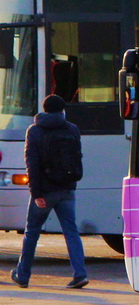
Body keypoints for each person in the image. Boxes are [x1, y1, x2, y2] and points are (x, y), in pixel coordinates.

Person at [10, 94, 88, 289]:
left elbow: (32, 164)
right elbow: (76, 158)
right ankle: (80, 274)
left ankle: (23, 275)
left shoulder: (35, 131)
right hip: (67, 189)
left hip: (45, 191)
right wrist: (70, 184)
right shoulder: (72, 129)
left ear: (44, 109)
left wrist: (36, 194)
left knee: (32, 232)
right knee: (71, 231)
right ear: (62, 110)